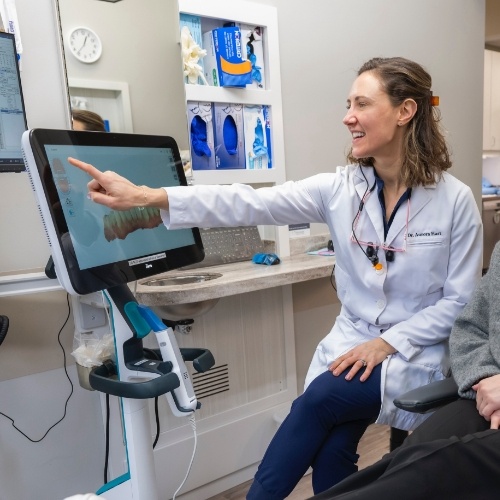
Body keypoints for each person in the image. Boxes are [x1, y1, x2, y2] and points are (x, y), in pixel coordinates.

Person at [66, 56, 483, 498]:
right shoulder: (339, 189)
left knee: (321, 400)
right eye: (348, 104)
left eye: (361, 103)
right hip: (352, 340)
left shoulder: (454, 201)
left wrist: (386, 343)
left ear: (405, 111)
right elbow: (249, 203)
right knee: (332, 450)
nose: (348, 117)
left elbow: (460, 304)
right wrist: (148, 196)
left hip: (412, 351)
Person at [309, 241, 500, 500]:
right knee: (406, 457)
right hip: (485, 396)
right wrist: (485, 376)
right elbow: (471, 328)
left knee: (436, 469)